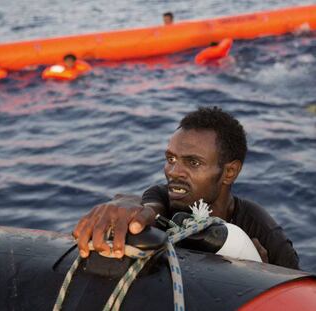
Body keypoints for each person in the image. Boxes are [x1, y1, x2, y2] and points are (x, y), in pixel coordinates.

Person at [73, 107, 299, 269]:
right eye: (171, 159)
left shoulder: (265, 233)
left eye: (193, 162)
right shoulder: (164, 197)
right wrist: (124, 204)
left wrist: (264, 276)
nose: (173, 172)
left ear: (229, 172)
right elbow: (149, 208)